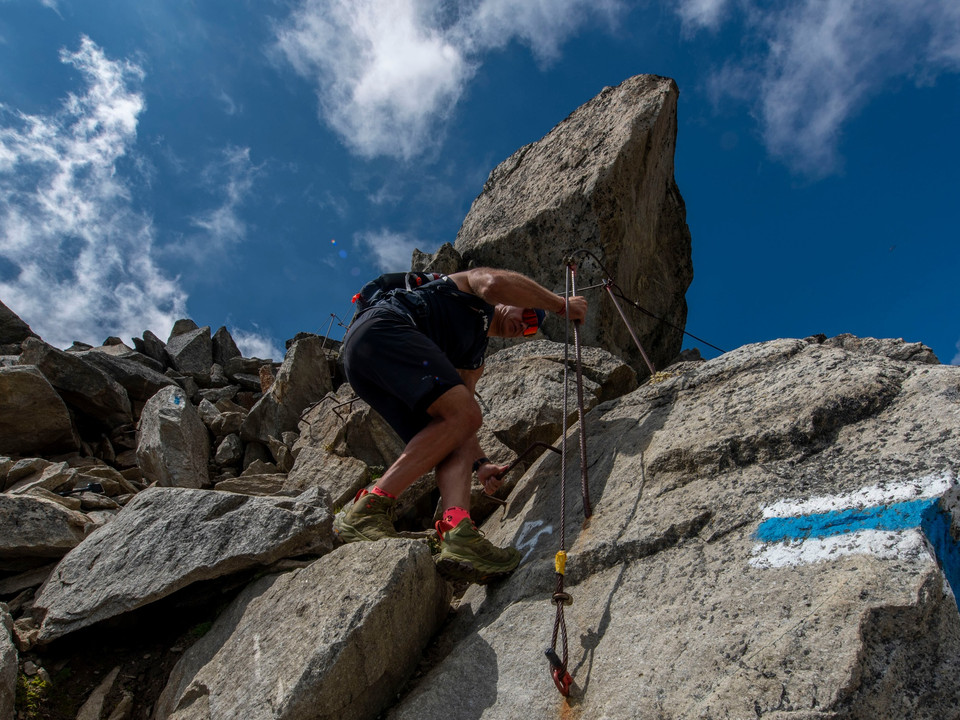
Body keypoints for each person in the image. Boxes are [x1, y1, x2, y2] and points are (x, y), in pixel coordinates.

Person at [334, 267, 588, 583]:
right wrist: (560, 305)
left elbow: (461, 424)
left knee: (452, 437)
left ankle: (458, 531)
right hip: (385, 327)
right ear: (513, 300)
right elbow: (495, 284)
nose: (524, 325)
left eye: (530, 329)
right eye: (529, 315)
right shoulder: (471, 287)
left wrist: (481, 464)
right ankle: (369, 508)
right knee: (464, 415)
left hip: (364, 363)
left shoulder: (473, 357)